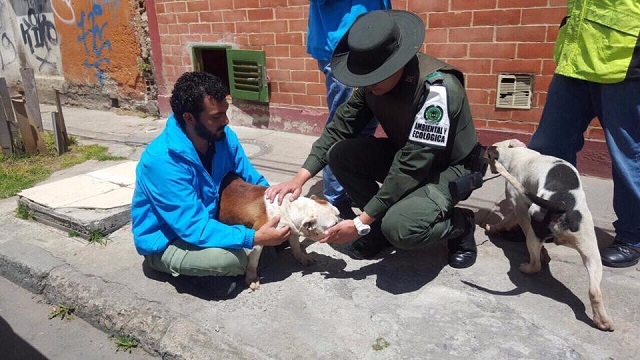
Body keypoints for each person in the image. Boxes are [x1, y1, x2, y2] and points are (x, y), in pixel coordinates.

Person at [267, 10, 480, 268]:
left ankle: (460, 224)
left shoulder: (438, 88)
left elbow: (411, 165)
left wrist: (359, 223)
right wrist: (300, 178)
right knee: (340, 154)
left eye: (373, 79)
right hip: (407, 154)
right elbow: (340, 127)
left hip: (448, 167)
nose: (367, 86)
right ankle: (378, 225)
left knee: (400, 228)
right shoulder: (373, 84)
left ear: (397, 63)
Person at [131, 72, 291, 294]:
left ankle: (223, 266)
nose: (225, 121)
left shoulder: (223, 136)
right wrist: (254, 237)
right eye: (216, 116)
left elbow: (252, 178)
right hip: (169, 239)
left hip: (208, 222)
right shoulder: (161, 162)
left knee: (275, 235)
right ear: (189, 118)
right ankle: (164, 266)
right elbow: (192, 227)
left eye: (225, 113)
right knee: (231, 261)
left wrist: (277, 206)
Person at [528, 0, 640, 268]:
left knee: (628, 155)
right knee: (549, 145)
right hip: (575, 56)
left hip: (623, 58)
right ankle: (551, 218)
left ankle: (632, 236)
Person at [307, 0, 392, 219]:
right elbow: (338, 130)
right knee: (346, 126)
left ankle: (347, 185)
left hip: (373, 43)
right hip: (345, 46)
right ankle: (334, 198)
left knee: (364, 124)